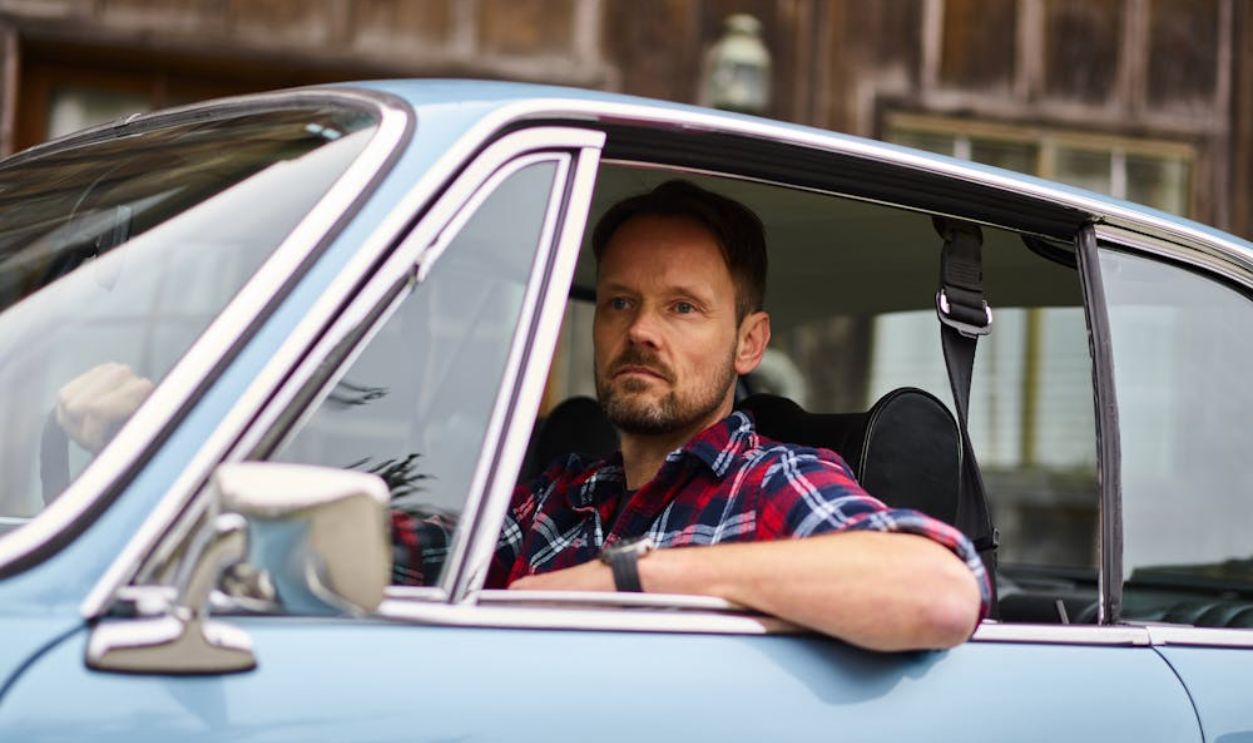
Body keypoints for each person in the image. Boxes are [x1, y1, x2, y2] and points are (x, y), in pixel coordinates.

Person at [392, 180, 990, 651]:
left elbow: (940, 591)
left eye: (682, 307)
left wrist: (627, 580)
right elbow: (410, 559)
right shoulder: (561, 496)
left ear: (749, 344)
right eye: (620, 302)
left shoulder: (768, 482)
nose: (641, 331)